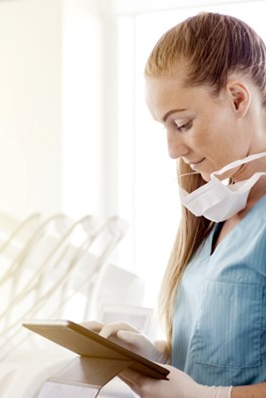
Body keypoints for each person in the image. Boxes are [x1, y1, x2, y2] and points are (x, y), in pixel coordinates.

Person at [83, 12, 266, 398]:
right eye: (164, 127)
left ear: (237, 98)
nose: (172, 150)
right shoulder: (217, 219)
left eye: (181, 124)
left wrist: (207, 397)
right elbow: (222, 351)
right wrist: (159, 354)